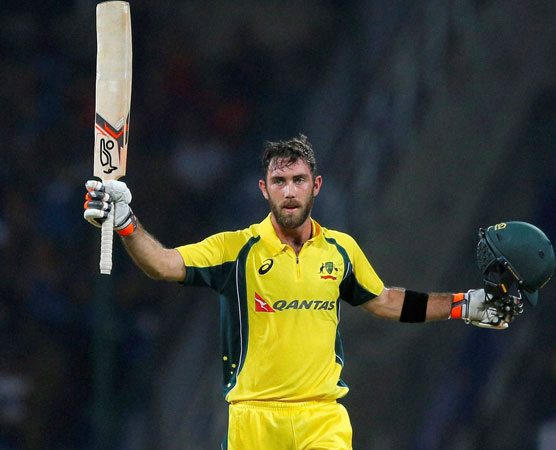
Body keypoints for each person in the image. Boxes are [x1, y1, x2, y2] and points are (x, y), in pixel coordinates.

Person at [83, 134, 522, 449]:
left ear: (316, 185)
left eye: (298, 180)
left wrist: (464, 305)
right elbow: (163, 264)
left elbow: (385, 300)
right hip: (254, 421)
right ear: (264, 189)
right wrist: (126, 222)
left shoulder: (341, 250)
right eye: (279, 181)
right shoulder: (236, 250)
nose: (289, 192)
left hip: (321, 418)